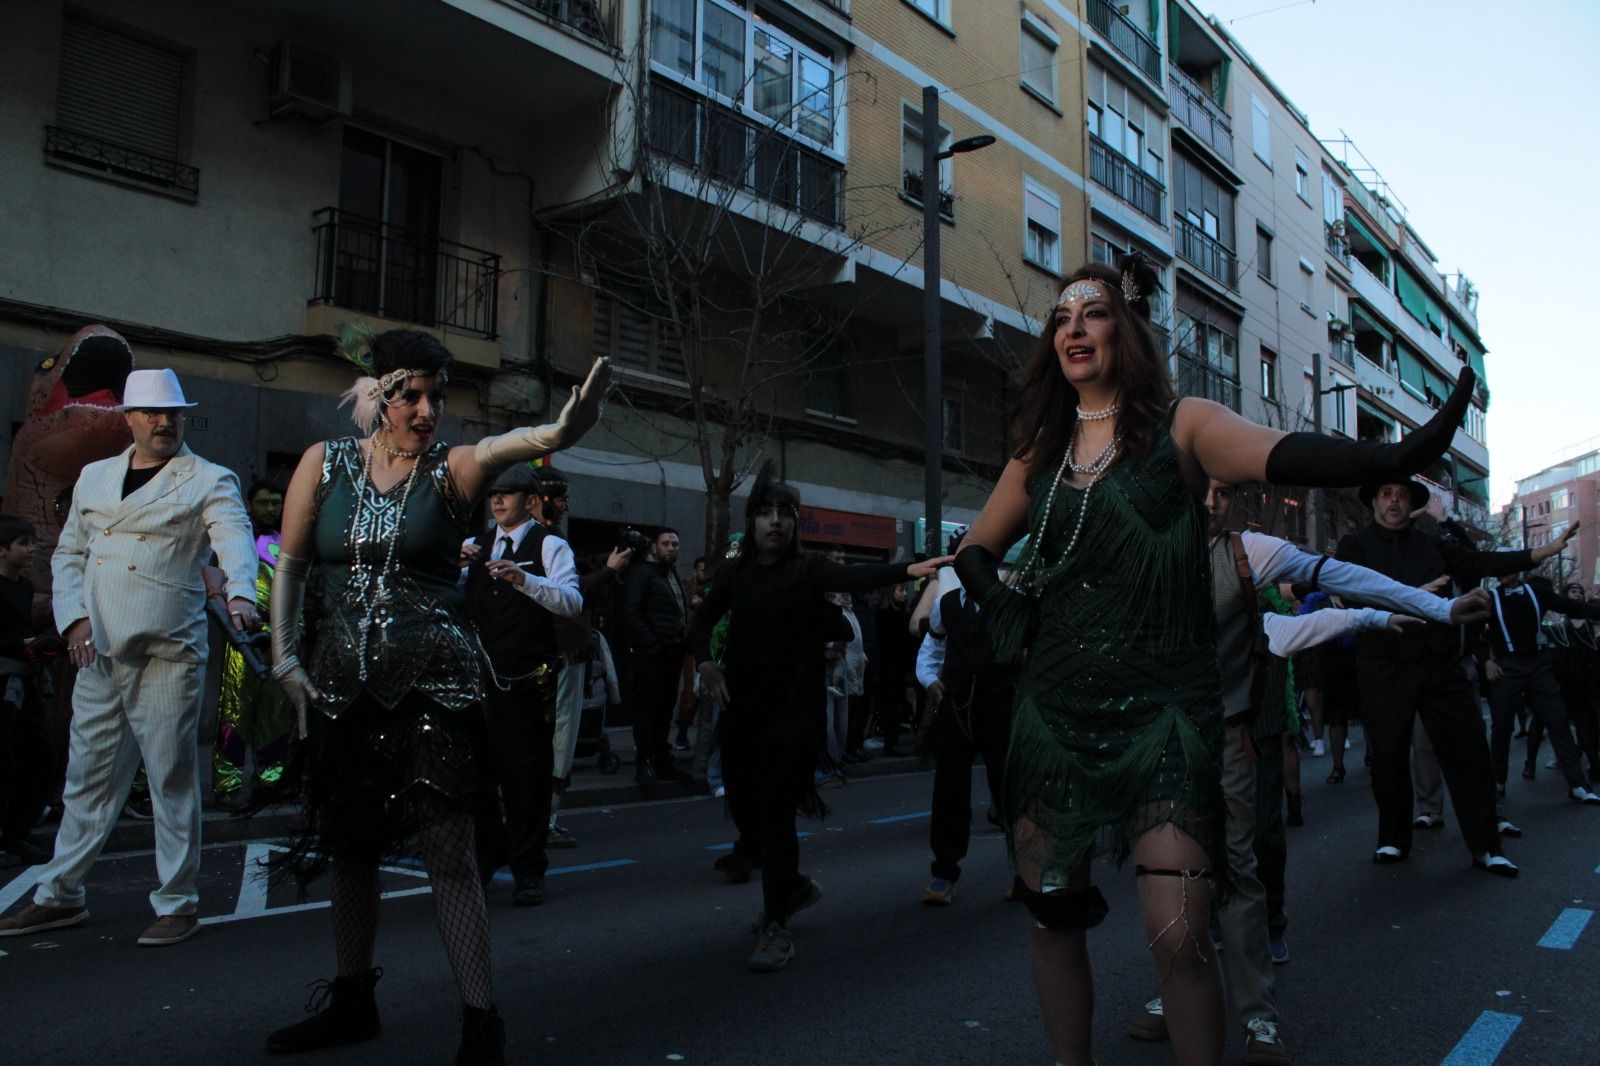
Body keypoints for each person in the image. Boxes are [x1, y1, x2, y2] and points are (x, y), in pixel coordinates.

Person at [952, 257, 1478, 1066]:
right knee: (1052, 918)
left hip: (1168, 716)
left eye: (1093, 313)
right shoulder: (1041, 451)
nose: (1074, 328)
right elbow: (974, 551)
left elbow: (1293, 452)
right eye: (1062, 318)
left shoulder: (1184, 426)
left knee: (1182, 934)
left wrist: (1398, 453)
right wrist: (1007, 607)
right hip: (1055, 714)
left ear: (1126, 331)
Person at [261, 330, 608, 1063]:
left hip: (434, 689)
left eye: (437, 397)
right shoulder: (325, 463)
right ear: (379, 394)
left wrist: (559, 432)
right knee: (351, 848)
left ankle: (481, 1023)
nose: (427, 411)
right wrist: (284, 656)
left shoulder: (452, 469)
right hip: (343, 687)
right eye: (411, 396)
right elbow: (290, 566)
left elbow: (509, 445)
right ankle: (352, 1001)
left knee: (449, 851)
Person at [0, 369, 258, 947]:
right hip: (98, 649)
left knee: (171, 779)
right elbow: (69, 554)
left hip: (167, 650)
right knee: (85, 779)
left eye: (174, 414)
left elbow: (233, 535)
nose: (164, 422)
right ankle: (59, 895)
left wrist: (241, 591)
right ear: (130, 418)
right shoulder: (95, 477)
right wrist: (75, 618)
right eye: (152, 413)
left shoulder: (208, 478)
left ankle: (178, 901)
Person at [693, 466, 948, 972]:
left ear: (795, 524)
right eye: (765, 513)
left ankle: (775, 925)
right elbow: (701, 618)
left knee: (775, 816)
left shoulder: (806, 570)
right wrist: (705, 663)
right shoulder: (736, 574)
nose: (774, 522)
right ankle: (791, 887)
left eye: (784, 514)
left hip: (793, 715)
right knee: (745, 811)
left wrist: (907, 571)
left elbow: (853, 576)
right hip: (744, 714)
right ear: (752, 521)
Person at [1336, 479, 1575, 872]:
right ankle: (1392, 838)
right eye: (1386, 493)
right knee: (1388, 756)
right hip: (1383, 662)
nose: (1394, 501)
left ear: (1412, 504)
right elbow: (1353, 594)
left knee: (1468, 751)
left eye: (1402, 494)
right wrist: (1418, 592)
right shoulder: (1355, 547)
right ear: (1374, 502)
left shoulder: (1432, 545)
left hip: (1437, 661)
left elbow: (1478, 562)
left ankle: (1485, 844)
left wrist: (1539, 553)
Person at [462, 463, 581, 907]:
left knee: (526, 779)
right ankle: (488, 855)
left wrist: (524, 579)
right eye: (493, 493)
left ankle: (528, 870)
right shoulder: (475, 545)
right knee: (477, 777)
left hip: (527, 681)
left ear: (530, 502)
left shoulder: (550, 544)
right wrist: (453, 570)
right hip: (478, 682)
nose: (497, 500)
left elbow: (572, 601)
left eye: (507, 494)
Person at [915, 549, 1017, 907]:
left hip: (1001, 708)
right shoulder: (946, 605)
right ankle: (944, 873)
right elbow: (931, 647)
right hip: (957, 709)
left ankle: (1026, 872)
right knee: (949, 789)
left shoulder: (1011, 603)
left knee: (1010, 790)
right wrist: (929, 679)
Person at [538, 469, 631, 848]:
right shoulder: (543, 539)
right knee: (559, 736)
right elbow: (567, 594)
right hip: (559, 653)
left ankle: (538, 818)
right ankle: (544, 820)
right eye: (560, 497)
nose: (565, 505)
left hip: (552, 653)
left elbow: (570, 575)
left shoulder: (539, 540)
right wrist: (608, 572)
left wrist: (600, 562)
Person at [1482, 571, 1600, 803]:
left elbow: (1572, 607)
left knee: (1558, 721)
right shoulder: (1490, 597)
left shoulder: (1536, 592)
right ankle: (1498, 780)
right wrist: (1487, 660)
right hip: (1507, 666)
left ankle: (1577, 784)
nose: (1504, 572)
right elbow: (1475, 632)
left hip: (1538, 665)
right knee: (1502, 724)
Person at [214, 478, 293, 805]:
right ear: (250, 504)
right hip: (243, 639)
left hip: (281, 639)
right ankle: (227, 785)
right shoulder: (237, 539)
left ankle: (269, 781)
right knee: (235, 712)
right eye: (263, 502)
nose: (270, 509)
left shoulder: (288, 541)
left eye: (275, 502)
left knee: (276, 713)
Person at [0, 515, 53, 862]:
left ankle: (17, 833)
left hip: (25, 678)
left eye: (32, 542)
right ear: (2, 550)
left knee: (38, 755)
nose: (32, 549)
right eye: (23, 543)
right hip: (5, 681)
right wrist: (24, 645)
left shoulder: (24, 587)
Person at [623, 528, 691, 785]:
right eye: (666, 543)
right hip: (652, 655)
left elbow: (678, 612)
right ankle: (646, 763)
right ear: (654, 546)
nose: (672, 548)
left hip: (672, 653)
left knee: (664, 709)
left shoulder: (670, 574)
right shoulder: (643, 573)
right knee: (648, 709)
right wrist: (651, 643)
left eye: (675, 544)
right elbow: (632, 613)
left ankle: (662, 760)